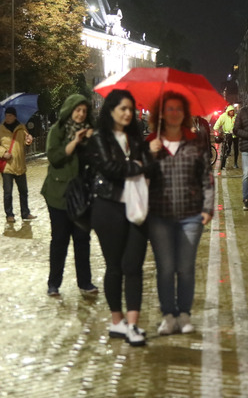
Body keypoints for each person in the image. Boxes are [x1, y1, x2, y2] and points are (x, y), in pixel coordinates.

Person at [88, 90, 155, 346]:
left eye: (131, 109)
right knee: (115, 266)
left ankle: (133, 324)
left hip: (138, 206)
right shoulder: (99, 138)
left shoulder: (137, 138)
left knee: (134, 266)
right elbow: (110, 168)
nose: (128, 114)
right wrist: (137, 165)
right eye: (122, 109)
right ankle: (117, 321)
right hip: (108, 207)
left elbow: (150, 165)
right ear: (111, 110)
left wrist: (147, 155)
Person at [146, 92, 214, 336]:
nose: (174, 113)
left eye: (178, 109)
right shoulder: (150, 143)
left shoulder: (195, 142)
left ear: (185, 114)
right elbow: (139, 178)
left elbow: (206, 177)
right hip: (159, 216)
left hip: (190, 216)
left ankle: (184, 313)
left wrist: (207, 208)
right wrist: (149, 155)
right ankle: (168, 315)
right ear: (161, 114)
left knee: (185, 267)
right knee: (165, 267)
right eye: (169, 109)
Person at [40, 94, 98, 297]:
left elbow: (98, 160)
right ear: (70, 110)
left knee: (82, 240)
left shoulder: (91, 133)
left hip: (82, 195)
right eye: (77, 110)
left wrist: (92, 140)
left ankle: (85, 282)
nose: (81, 114)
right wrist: (75, 141)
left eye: (84, 111)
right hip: (59, 194)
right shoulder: (58, 130)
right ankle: (54, 283)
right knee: (60, 240)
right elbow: (54, 158)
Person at [0, 106, 35, 222]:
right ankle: (9, 214)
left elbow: (25, 142)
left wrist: (28, 141)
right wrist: (3, 152)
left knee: (24, 191)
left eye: (10, 115)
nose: (7, 118)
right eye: (6, 115)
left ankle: (25, 213)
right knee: (8, 192)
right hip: (7, 166)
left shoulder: (21, 128)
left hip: (20, 165)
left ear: (15, 116)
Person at [213, 105, 237, 170]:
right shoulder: (223, 116)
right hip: (227, 135)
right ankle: (223, 164)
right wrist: (217, 131)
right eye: (230, 111)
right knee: (227, 149)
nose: (232, 112)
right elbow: (216, 125)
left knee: (236, 149)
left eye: (233, 111)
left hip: (236, 135)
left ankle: (235, 163)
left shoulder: (236, 116)